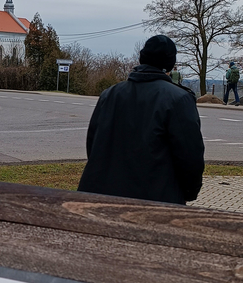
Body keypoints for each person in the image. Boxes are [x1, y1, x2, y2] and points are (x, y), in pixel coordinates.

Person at [77, 34, 204, 205]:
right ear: (170, 63)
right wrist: (188, 192)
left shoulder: (110, 94)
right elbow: (190, 156)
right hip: (155, 200)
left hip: (100, 197)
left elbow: (93, 144)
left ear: (142, 58)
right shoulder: (178, 99)